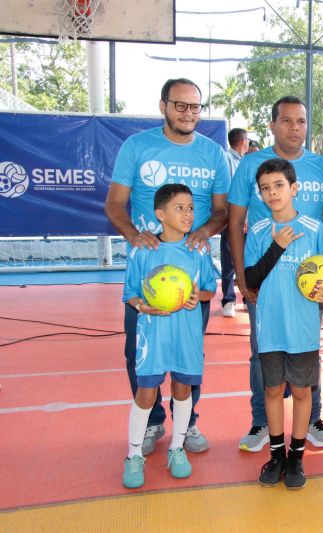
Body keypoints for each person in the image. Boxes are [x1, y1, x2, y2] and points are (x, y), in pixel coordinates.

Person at [105, 78, 230, 456]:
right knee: (139, 352)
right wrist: (134, 235)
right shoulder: (137, 146)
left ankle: (187, 424)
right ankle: (154, 422)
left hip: (191, 271)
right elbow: (114, 205)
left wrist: (205, 230)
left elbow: (222, 211)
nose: (189, 113)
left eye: (195, 107)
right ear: (163, 106)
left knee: (189, 352)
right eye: (181, 106)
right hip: (150, 274)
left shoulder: (213, 153)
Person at [228, 96, 323, 452]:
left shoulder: (322, 166)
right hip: (267, 276)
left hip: (307, 282)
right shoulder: (251, 165)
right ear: (273, 124)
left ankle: (313, 419)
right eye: (287, 121)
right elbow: (234, 221)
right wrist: (243, 278)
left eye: (301, 121)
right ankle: (261, 421)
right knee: (263, 350)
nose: (295, 128)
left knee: (308, 348)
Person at [244, 158, 323, 490]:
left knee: (302, 391)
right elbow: (251, 277)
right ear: (259, 195)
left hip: (302, 328)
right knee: (272, 389)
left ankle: (297, 456)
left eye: (278, 186)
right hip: (271, 327)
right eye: (265, 188)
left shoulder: (314, 229)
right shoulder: (259, 231)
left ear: (294, 189)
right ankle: (276, 454)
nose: (272, 193)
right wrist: (278, 246)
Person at [121, 184, 217, 488]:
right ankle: (134, 455)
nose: (188, 214)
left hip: (186, 333)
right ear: (160, 214)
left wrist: (196, 296)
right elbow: (130, 294)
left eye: (190, 208)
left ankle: (176, 449)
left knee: (182, 389)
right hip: (153, 335)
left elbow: (210, 289)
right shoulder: (143, 249)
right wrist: (143, 306)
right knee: (146, 393)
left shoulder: (198, 248)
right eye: (179, 208)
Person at [221, 128, 250, 318]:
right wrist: (233, 221)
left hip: (247, 222)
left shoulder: (247, 162)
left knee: (249, 260)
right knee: (229, 262)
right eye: (248, 140)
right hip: (231, 221)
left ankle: (248, 296)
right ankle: (229, 300)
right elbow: (225, 194)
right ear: (243, 141)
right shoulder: (226, 160)